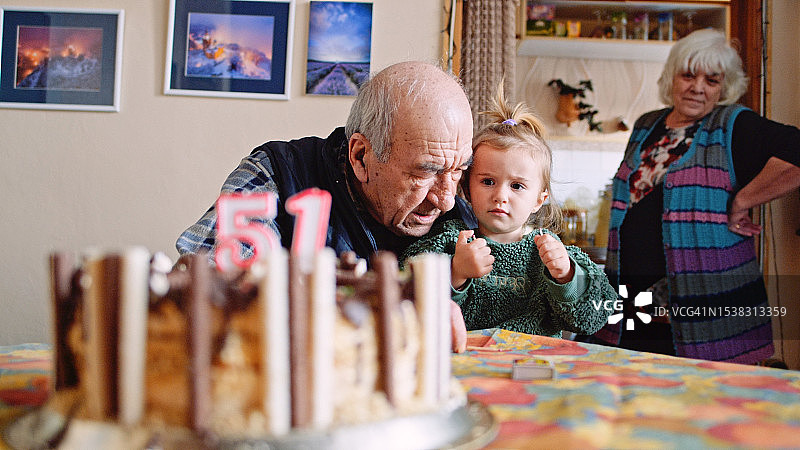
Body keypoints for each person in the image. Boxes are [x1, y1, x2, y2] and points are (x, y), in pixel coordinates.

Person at [176, 61, 477, 351]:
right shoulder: (278, 175)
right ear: (360, 156)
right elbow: (201, 294)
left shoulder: (462, 219)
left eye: (459, 170)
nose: (447, 198)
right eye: (425, 172)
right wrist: (389, 310)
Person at [588, 28, 800, 364]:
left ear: (724, 86)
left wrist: (744, 200)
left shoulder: (733, 124)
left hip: (702, 305)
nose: (697, 87)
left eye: (712, 80)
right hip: (632, 300)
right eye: (688, 75)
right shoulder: (646, 125)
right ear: (672, 76)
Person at [401, 85, 616, 337]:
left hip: (534, 365)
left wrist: (567, 276)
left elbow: (596, 313)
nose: (501, 196)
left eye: (517, 186)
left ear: (539, 199)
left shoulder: (549, 252)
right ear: (467, 190)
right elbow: (405, 297)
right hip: (469, 365)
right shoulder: (450, 241)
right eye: (488, 181)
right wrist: (455, 273)